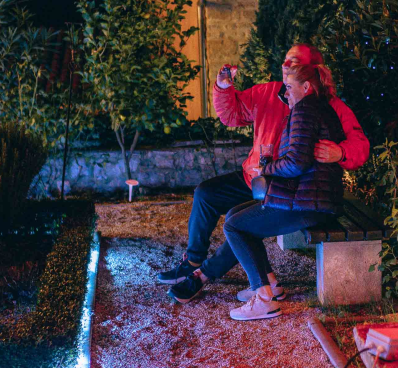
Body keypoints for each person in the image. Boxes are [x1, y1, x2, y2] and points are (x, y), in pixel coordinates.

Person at [157, 44, 368, 302]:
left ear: (310, 73)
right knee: (206, 194)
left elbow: (360, 145)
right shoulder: (268, 92)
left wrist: (341, 152)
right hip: (256, 178)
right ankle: (193, 261)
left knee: (240, 225)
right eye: (285, 58)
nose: (285, 64)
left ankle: (204, 276)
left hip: (287, 187)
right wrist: (224, 87)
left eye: (294, 61)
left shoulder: (325, 105)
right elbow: (232, 114)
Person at [191, 63, 346, 320]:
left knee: (236, 226)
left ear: (306, 87)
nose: (285, 94)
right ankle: (269, 285)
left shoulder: (304, 111)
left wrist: (267, 168)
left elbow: (297, 162)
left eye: (289, 87)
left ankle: (263, 299)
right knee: (235, 214)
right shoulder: (318, 107)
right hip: (311, 197)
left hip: (310, 203)